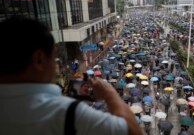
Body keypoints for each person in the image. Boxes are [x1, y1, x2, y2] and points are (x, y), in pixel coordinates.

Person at [0, 16, 142, 135]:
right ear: (39, 59)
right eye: (54, 57)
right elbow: (132, 131)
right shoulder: (66, 112)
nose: (56, 66)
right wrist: (109, 93)